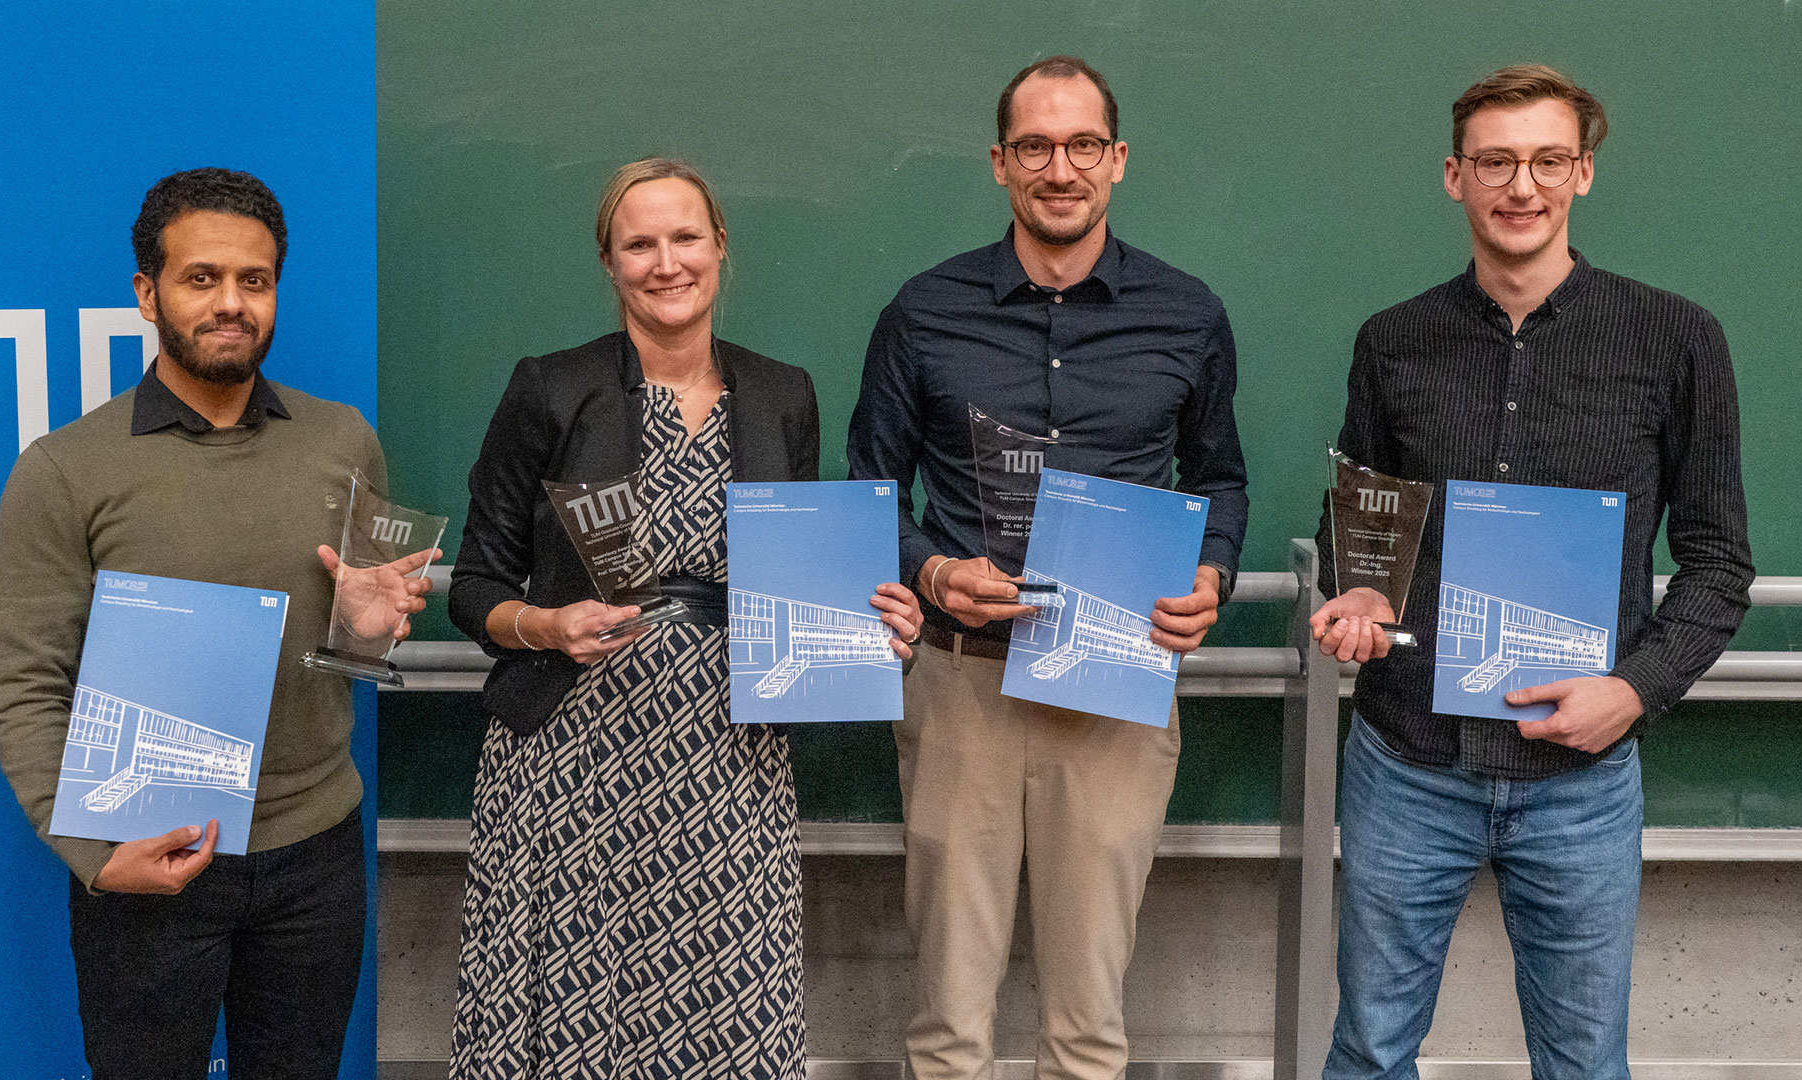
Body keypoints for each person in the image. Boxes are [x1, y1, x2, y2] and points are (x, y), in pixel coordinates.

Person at [1312, 65, 1753, 1078]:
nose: (1522, 186)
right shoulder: (1394, 342)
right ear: (1454, 177)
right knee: (1371, 1049)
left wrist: (1632, 694)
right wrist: (1361, 588)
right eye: (1497, 162)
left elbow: (1720, 562)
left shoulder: (1676, 339)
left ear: (1583, 174)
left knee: (1584, 1063)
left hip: (1581, 778)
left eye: (1548, 161)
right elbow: (1361, 528)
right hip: (1408, 760)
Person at [447, 157, 923, 1079]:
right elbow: (475, 583)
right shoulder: (551, 388)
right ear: (609, 262)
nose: (666, 262)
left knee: (726, 1008)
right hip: (569, 755)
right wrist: (544, 628)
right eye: (640, 243)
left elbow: (795, 575)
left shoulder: (784, 395)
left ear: (720, 249)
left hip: (728, 757)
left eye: (685, 238)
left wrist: (867, 624)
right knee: (574, 1012)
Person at [846, 56, 1249, 1080]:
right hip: (957, 685)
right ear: (999, 163)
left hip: (1114, 688)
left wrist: (1212, 577)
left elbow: (1221, 482)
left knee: (1087, 1027)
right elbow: (867, 492)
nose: (1058, 168)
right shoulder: (923, 312)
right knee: (947, 1025)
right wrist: (931, 573)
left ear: (1117, 160)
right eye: (1035, 145)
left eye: (1081, 146)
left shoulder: (1187, 315)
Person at [0, 167, 434, 1078]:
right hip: (147, 855)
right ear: (148, 293)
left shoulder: (341, 438)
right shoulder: (64, 470)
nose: (231, 304)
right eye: (201, 279)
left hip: (316, 854)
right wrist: (91, 855)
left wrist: (368, 632)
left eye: (254, 281)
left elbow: (356, 647)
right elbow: (27, 683)